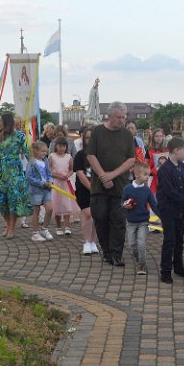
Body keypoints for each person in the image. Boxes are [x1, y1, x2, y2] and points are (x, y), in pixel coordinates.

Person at [87, 102, 136, 267]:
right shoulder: (97, 132)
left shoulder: (127, 135)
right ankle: (106, 252)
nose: (121, 120)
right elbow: (91, 155)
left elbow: (131, 159)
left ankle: (116, 254)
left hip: (120, 185)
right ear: (109, 116)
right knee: (100, 217)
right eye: (118, 117)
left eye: (123, 117)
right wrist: (102, 176)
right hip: (98, 186)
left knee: (118, 220)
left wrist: (112, 175)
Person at [156, 137, 184, 283]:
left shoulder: (183, 167)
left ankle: (178, 267)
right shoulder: (164, 170)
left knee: (180, 239)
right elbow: (170, 192)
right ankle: (165, 271)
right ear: (177, 151)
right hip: (168, 210)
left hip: (180, 209)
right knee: (170, 240)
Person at [0, 113, 32, 239]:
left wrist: (36, 165)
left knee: (13, 200)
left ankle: (11, 228)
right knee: (1, 200)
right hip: (2, 172)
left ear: (6, 122)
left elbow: (27, 152)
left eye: (0, 121)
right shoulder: (0, 137)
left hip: (15, 171)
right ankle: (8, 223)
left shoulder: (20, 136)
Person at [121, 162, 159, 275]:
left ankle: (142, 265)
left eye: (148, 174)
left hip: (143, 222)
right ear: (136, 174)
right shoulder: (127, 189)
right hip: (131, 222)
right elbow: (122, 201)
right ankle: (139, 259)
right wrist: (124, 205)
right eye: (145, 174)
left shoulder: (147, 190)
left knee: (141, 243)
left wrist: (163, 216)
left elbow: (154, 205)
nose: (148, 177)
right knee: (132, 244)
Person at [74, 127, 100, 255]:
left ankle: (93, 241)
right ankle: (86, 241)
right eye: (87, 137)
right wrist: (91, 187)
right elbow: (80, 173)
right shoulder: (80, 155)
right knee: (87, 213)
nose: (90, 140)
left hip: (98, 189)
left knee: (96, 215)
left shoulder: (101, 155)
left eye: (92, 137)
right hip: (83, 189)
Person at [48, 136, 79, 235]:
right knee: (57, 205)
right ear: (55, 146)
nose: (62, 148)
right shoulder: (52, 156)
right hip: (56, 184)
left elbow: (71, 169)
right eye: (60, 146)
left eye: (64, 146)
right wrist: (57, 175)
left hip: (65, 184)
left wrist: (67, 175)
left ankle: (67, 227)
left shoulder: (68, 157)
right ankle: (58, 227)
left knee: (67, 205)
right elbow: (48, 171)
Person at [27, 140, 54, 242]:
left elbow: (49, 174)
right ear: (36, 151)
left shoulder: (45, 161)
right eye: (42, 151)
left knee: (50, 209)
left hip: (46, 190)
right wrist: (42, 183)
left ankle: (44, 229)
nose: (45, 153)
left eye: (46, 151)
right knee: (36, 211)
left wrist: (50, 181)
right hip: (36, 191)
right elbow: (29, 177)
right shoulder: (32, 162)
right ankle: (34, 233)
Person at [146, 128, 168, 194]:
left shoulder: (166, 150)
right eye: (156, 136)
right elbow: (145, 165)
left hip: (164, 177)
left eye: (160, 136)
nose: (159, 138)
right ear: (153, 137)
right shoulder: (149, 150)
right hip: (152, 177)